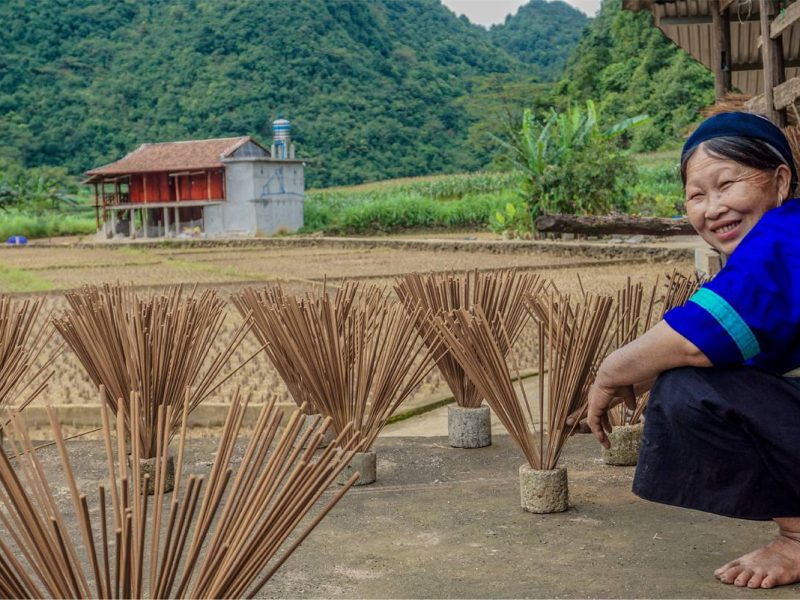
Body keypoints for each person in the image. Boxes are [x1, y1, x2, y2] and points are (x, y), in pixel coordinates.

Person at [586, 111, 800, 589]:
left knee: (687, 389)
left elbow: (695, 337)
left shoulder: (788, 233)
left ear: (780, 181)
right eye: (697, 196)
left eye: (727, 184)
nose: (713, 207)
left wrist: (610, 372)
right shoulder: (777, 247)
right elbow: (743, 353)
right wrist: (646, 371)